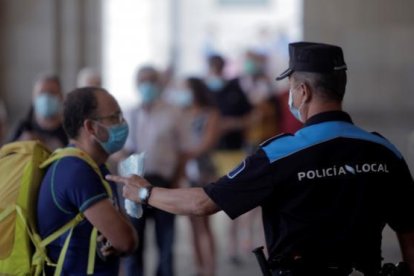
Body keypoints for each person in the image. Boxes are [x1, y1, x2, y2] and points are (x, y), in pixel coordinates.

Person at [108, 42, 414, 276]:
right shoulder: (384, 151)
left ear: (303, 91)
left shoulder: (280, 154)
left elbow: (203, 203)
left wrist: (144, 192)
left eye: (291, 87)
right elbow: (409, 230)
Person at [36, 87, 138, 275]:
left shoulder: (95, 167)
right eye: (115, 117)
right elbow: (126, 241)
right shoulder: (77, 171)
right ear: (91, 127)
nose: (122, 124)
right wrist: (122, 236)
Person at [121, 65, 185, 276]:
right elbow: (126, 151)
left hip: (164, 183)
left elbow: (183, 150)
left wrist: (176, 181)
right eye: (143, 80)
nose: (147, 85)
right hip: (136, 185)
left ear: (159, 84)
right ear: (137, 84)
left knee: (166, 243)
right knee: (134, 243)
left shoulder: (173, 113)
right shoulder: (129, 114)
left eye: (151, 80)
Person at [175, 77, 219, 276]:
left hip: (203, 171)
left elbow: (208, 142)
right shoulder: (180, 114)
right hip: (184, 171)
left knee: (204, 223)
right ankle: (199, 267)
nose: (182, 93)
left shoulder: (210, 114)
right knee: (192, 224)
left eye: (185, 89)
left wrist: (185, 153)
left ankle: (210, 269)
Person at [11, 74, 68, 151]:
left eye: (51, 92)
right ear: (34, 97)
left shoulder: (69, 129)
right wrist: (20, 145)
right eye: (41, 93)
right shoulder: (24, 127)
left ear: (61, 96)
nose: (46, 97)